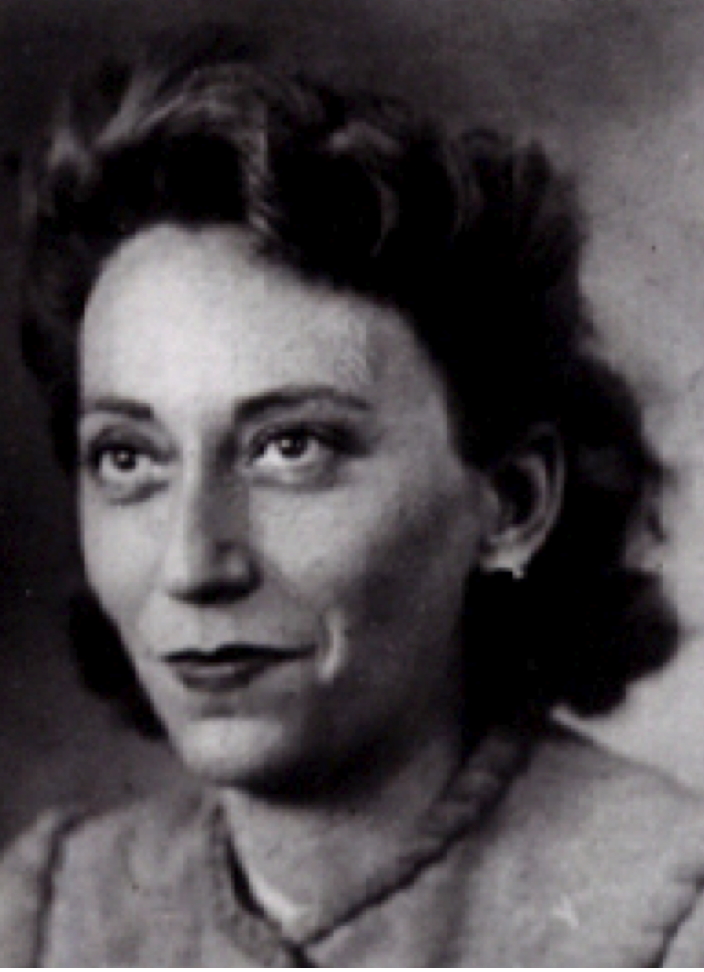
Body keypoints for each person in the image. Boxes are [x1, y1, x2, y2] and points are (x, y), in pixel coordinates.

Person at [2, 36, 704, 967]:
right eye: (128, 457)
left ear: (510, 502)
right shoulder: (46, 916)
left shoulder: (668, 920)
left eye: (293, 448)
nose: (193, 564)